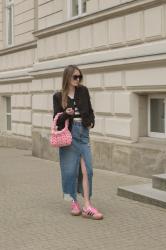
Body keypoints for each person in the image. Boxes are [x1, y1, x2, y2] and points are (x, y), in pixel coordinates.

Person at [53, 65, 103, 220]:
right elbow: (56, 120)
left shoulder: (83, 91)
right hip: (69, 135)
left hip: (83, 133)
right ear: (67, 77)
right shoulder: (58, 96)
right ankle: (74, 202)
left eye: (79, 77)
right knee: (69, 171)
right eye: (75, 77)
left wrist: (91, 122)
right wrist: (65, 114)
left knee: (88, 170)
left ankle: (87, 205)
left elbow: (90, 109)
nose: (78, 79)